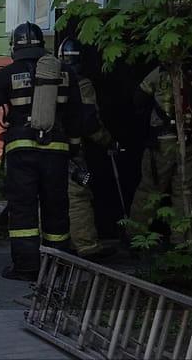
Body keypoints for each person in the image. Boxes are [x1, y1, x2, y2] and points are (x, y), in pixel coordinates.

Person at [0, 22, 84, 281]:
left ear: (15, 47)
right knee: (56, 208)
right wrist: (74, 148)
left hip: (21, 150)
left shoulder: (10, 72)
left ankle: (26, 267)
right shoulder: (66, 72)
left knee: (23, 209)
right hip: (57, 150)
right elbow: (77, 116)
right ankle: (57, 266)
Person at [129, 62, 192, 245]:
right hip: (191, 140)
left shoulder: (161, 72)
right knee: (185, 192)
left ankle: (136, 236)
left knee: (150, 190)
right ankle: (182, 241)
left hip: (163, 140)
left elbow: (138, 98)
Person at [58, 38, 117, 261]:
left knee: (49, 195)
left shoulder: (47, 80)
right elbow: (89, 122)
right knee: (78, 196)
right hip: (71, 150)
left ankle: (54, 245)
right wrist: (107, 141)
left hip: (43, 148)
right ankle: (86, 245)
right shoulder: (82, 84)